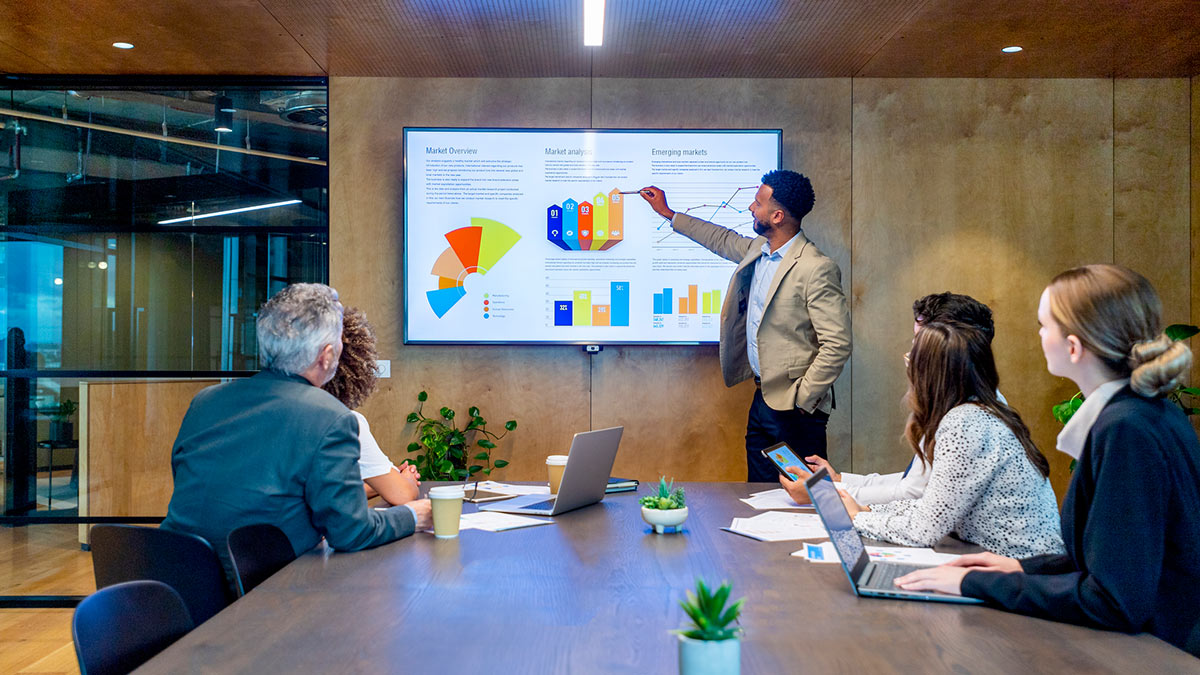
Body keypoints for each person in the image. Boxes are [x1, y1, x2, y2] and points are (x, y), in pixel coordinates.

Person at [895, 265, 1200, 656]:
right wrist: (1024, 568)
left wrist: (974, 584)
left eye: (1043, 326)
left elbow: (1112, 600)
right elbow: (1112, 561)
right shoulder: (1145, 412)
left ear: (1073, 347)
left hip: (1152, 652)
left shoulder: (1126, 430)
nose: (1039, 336)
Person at [162, 283, 432, 583]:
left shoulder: (205, 401)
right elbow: (351, 532)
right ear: (327, 356)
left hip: (174, 582)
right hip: (260, 593)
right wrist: (413, 515)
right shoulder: (332, 418)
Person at [639, 171, 851, 482]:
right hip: (762, 399)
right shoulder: (759, 249)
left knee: (803, 501)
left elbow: (838, 343)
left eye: (758, 203)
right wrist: (669, 214)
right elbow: (721, 239)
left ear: (777, 216)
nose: (752, 208)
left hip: (796, 410)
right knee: (758, 493)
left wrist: (803, 400)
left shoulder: (815, 268)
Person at [842, 321, 1064, 558]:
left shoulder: (965, 424)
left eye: (912, 360)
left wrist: (858, 518)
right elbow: (936, 505)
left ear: (928, 374)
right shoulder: (982, 411)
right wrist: (869, 509)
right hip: (1015, 563)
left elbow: (925, 530)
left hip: (1020, 573)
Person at [779, 292, 1000, 505]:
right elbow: (913, 481)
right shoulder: (964, 400)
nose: (912, 354)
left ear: (949, 348)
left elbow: (914, 495)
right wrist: (839, 481)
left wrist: (826, 494)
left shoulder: (965, 417)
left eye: (920, 342)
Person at [323, 306, 421, 506]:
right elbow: (402, 495)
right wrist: (405, 480)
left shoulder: (269, 409)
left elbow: (324, 495)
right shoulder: (344, 421)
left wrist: (386, 478)